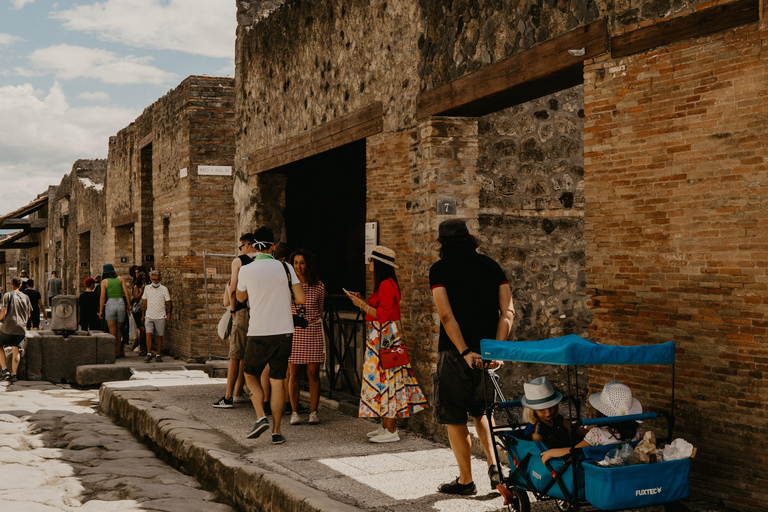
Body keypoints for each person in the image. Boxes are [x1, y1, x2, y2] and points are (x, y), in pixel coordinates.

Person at [429, 218, 515, 495]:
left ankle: (466, 480)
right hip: (489, 353)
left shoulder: (439, 270)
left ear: (443, 243)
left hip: (455, 354)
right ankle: (494, 469)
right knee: (482, 413)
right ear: (470, 239)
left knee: (455, 417)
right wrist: (497, 351)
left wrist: (465, 351)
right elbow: (508, 312)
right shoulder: (491, 266)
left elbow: (446, 315)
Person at [346, 245, 428, 443]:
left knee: (388, 381)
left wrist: (362, 305)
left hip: (385, 339)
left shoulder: (386, 284)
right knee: (385, 381)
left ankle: (391, 430)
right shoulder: (385, 284)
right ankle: (386, 426)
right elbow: (380, 310)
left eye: (371, 260)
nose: (369, 264)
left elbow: (383, 315)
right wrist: (363, 301)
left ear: (379, 263)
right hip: (383, 337)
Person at [235, 227, 306, 445]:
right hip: (284, 332)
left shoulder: (247, 269)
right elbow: (301, 299)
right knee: (278, 380)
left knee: (250, 374)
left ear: (255, 247)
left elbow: (240, 297)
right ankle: (276, 432)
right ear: (272, 246)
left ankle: (260, 416)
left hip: (258, 332)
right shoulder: (285, 267)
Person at [540, 381, 643, 464]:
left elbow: (574, 450)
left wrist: (551, 452)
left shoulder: (597, 434)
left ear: (602, 412)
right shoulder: (638, 432)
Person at [213, 233, 257, 408]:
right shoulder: (266, 261)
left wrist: (232, 310)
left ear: (247, 245)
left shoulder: (239, 261)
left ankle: (229, 396)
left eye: (241, 247)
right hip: (259, 311)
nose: (240, 250)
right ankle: (253, 394)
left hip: (242, 312)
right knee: (253, 356)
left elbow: (233, 289)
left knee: (235, 356)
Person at [287, 249, 325, 425]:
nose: (298, 266)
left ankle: (314, 411)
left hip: (312, 331)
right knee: (294, 374)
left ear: (307, 264)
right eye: (295, 263)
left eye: (301, 262)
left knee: (313, 373)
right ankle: (294, 412)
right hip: (294, 332)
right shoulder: (287, 286)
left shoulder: (318, 286)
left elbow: (320, 309)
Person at [522, 376, 585, 449]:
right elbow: (540, 452)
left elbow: (575, 429)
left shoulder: (557, 419)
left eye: (551, 407)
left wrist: (593, 436)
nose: (548, 412)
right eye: (542, 409)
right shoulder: (536, 430)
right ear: (533, 411)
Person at [0, 277, 32, 383]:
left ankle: (5, 370)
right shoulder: (26, 297)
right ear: (20, 285)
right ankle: (14, 375)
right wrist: (23, 323)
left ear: (11, 284)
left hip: (8, 327)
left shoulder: (7, 295)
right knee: (16, 349)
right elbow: (29, 314)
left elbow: (4, 312)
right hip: (21, 328)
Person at [98, 264, 132, 358]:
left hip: (110, 304)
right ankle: (118, 351)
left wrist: (100, 311)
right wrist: (128, 305)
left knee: (111, 331)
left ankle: (113, 352)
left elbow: (102, 297)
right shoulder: (120, 279)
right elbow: (126, 293)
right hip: (121, 303)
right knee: (119, 330)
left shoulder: (104, 282)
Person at [141, 270, 172, 363]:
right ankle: (149, 353)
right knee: (148, 333)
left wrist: (169, 313)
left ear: (160, 279)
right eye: (154, 279)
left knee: (159, 336)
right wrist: (143, 314)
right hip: (149, 315)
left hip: (160, 315)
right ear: (151, 279)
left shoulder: (164, 289)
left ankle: (158, 354)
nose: (155, 282)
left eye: (157, 280)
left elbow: (168, 302)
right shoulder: (147, 288)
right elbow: (144, 302)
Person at [132, 272, 148, 355]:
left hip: (146, 310)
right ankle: (141, 348)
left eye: (145, 279)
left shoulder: (149, 287)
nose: (143, 281)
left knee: (146, 331)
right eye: (142, 279)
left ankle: (145, 348)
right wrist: (142, 290)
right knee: (142, 329)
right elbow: (136, 298)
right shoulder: (136, 287)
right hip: (137, 311)